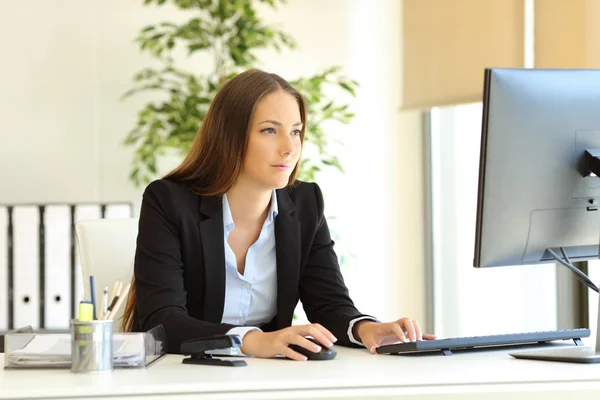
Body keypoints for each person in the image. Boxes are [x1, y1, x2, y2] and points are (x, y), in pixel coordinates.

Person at [121, 69, 435, 360]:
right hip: (184, 377)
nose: (289, 148)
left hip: (268, 377)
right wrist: (254, 340)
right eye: (270, 130)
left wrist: (366, 329)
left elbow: (328, 304)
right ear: (230, 136)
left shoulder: (306, 203)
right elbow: (161, 321)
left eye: (296, 132)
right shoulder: (169, 201)